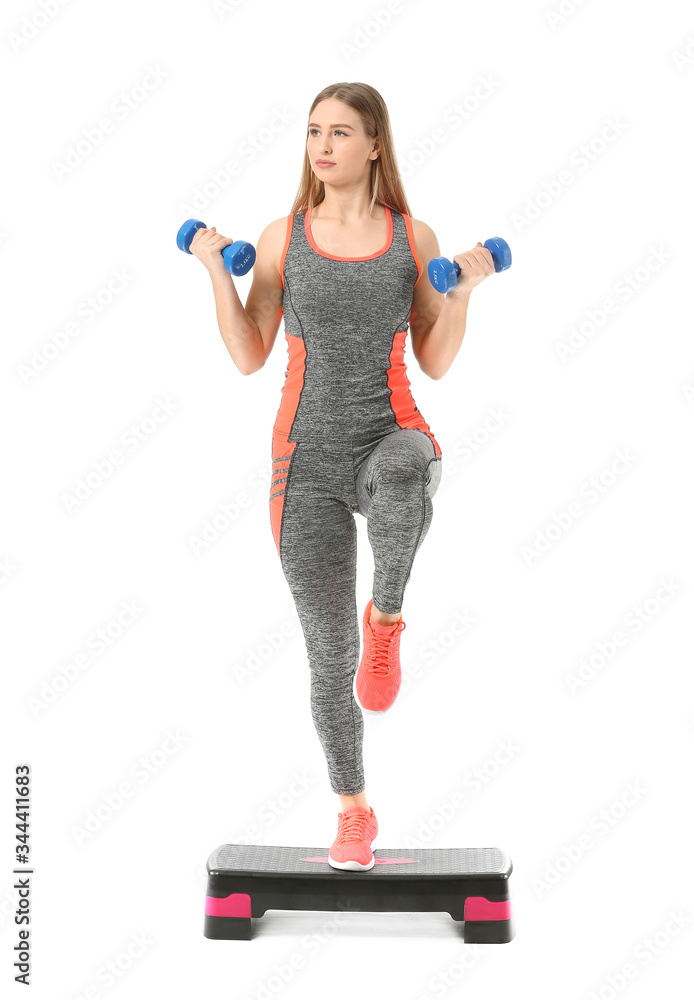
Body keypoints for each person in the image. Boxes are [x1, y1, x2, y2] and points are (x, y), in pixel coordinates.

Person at [189, 82, 496, 872]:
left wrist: (460, 294)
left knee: (403, 477)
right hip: (306, 463)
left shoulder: (410, 237)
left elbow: (434, 357)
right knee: (327, 658)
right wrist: (213, 271)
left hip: (393, 431)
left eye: (341, 132)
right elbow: (250, 354)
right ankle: (354, 810)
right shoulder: (282, 238)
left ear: (374, 147)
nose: (322, 146)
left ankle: (386, 619)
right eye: (314, 132)